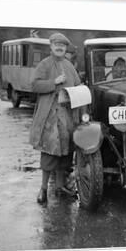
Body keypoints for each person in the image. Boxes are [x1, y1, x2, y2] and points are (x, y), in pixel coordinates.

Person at [29, 32, 81, 204]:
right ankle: (43, 189)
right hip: (50, 116)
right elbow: (35, 85)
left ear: (65, 48)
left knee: (65, 152)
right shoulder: (44, 65)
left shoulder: (69, 65)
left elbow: (78, 85)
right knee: (49, 153)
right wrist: (54, 82)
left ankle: (60, 187)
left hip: (67, 115)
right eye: (56, 45)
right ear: (51, 46)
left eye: (63, 45)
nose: (60, 48)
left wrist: (82, 90)